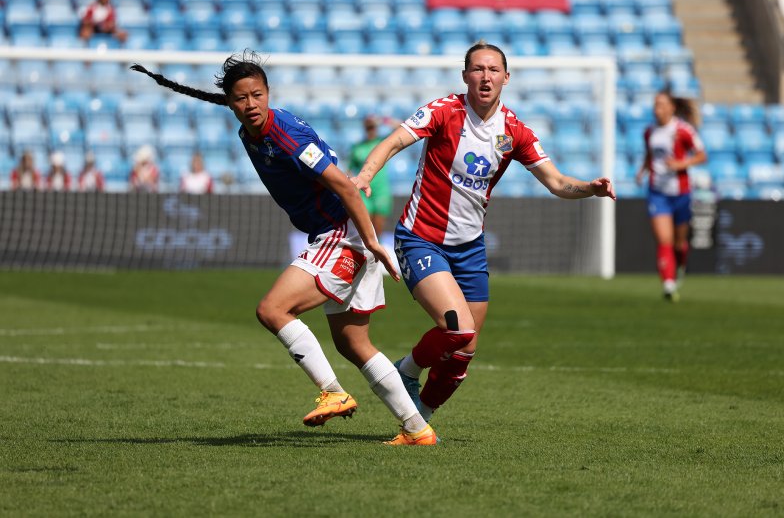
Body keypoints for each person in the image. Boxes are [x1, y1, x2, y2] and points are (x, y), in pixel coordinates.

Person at [130, 52, 437, 445]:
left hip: (341, 232)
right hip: (335, 233)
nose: (250, 104)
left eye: (257, 95)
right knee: (353, 343)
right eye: (241, 98)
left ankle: (334, 393)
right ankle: (417, 430)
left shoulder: (284, 133)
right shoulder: (249, 135)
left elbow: (344, 186)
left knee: (272, 309)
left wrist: (373, 243)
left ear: (268, 93)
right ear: (229, 102)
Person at [352, 41, 616, 424]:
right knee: (456, 328)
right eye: (477, 69)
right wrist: (365, 174)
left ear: (506, 78)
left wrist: (590, 188)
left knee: (464, 351)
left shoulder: (514, 132)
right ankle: (407, 369)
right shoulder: (444, 111)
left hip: (470, 248)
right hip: (421, 238)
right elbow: (393, 141)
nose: (486, 76)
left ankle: (420, 420)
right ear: (465, 76)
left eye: (493, 70)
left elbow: (557, 182)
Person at [635, 90, 707, 302]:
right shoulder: (649, 132)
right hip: (657, 193)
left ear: (671, 107)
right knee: (664, 240)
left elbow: (702, 155)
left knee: (678, 243)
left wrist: (681, 164)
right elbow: (650, 155)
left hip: (681, 192)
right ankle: (668, 284)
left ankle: (681, 263)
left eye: (661, 104)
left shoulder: (683, 130)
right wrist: (643, 171)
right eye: (655, 104)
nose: (657, 108)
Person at [348, 116, 395, 237]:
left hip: (380, 191)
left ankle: (377, 255)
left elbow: (402, 128)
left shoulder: (383, 143)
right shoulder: (357, 147)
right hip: (363, 192)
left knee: (378, 231)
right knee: (366, 231)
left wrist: (384, 120)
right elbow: (350, 169)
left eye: (373, 127)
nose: (371, 130)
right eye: (368, 128)